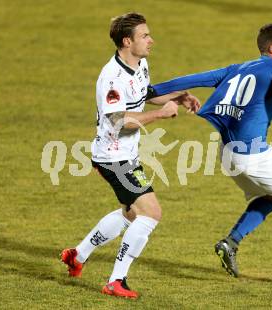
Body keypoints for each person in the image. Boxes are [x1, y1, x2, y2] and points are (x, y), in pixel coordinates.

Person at [150, 22, 272, 284]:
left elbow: (194, 79)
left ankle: (230, 243)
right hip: (254, 155)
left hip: (228, 153)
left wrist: (154, 89)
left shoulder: (238, 69)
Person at [61, 12, 199, 299]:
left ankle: (78, 255)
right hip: (114, 158)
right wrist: (160, 115)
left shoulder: (139, 63)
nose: (151, 40)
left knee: (131, 213)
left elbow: (143, 93)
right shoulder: (111, 78)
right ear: (127, 41)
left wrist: (177, 97)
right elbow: (117, 123)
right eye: (145, 36)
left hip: (126, 154)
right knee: (151, 213)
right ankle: (116, 281)